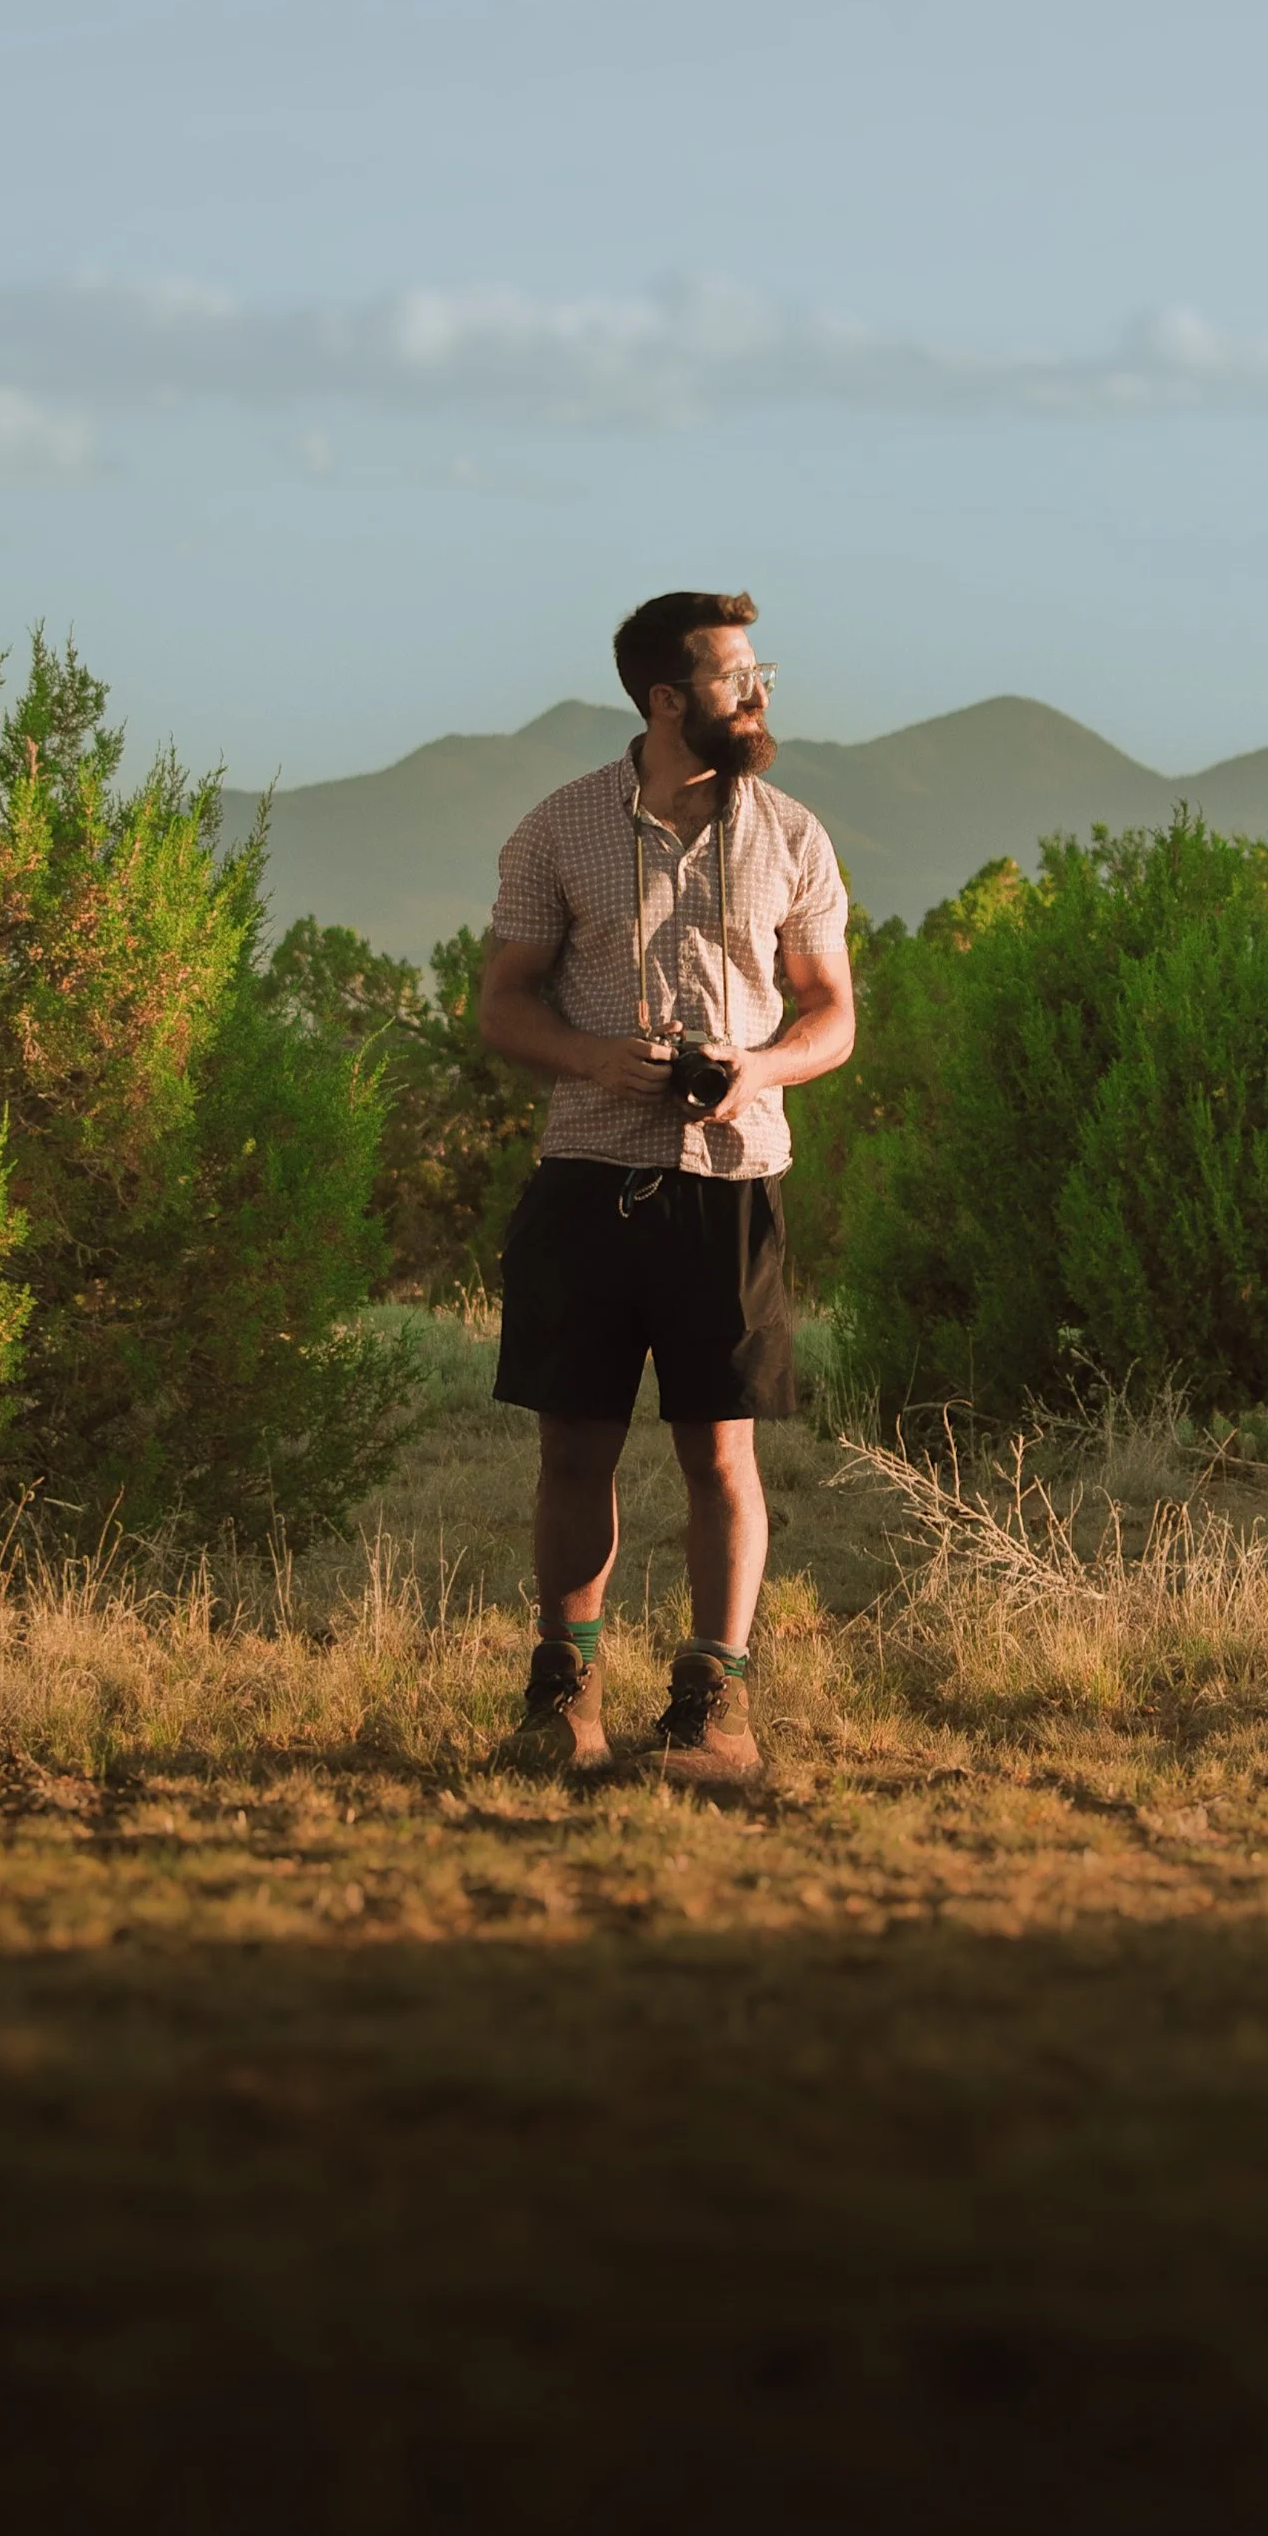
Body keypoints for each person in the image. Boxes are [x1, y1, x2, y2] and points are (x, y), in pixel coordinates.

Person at [476, 590, 856, 1787]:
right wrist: (596, 1058)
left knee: (721, 1454)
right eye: (736, 676)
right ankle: (564, 1700)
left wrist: (757, 1070)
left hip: (732, 1179)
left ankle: (713, 1712)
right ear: (664, 699)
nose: (757, 694)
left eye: (760, 674)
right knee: (572, 1450)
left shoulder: (793, 834)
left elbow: (832, 1015)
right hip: (587, 1173)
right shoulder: (555, 830)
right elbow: (500, 1002)